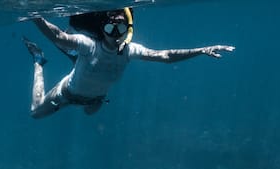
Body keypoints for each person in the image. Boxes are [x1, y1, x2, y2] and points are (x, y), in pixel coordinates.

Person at [22, 8, 235, 118]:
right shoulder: (89, 44)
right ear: (102, 29)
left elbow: (166, 56)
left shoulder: (130, 50)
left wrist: (201, 50)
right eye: (110, 29)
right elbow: (58, 36)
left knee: (89, 112)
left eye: (120, 30)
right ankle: (39, 61)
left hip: (94, 101)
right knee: (35, 112)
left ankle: (74, 62)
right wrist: (33, 15)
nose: (115, 35)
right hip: (66, 94)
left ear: (127, 31)